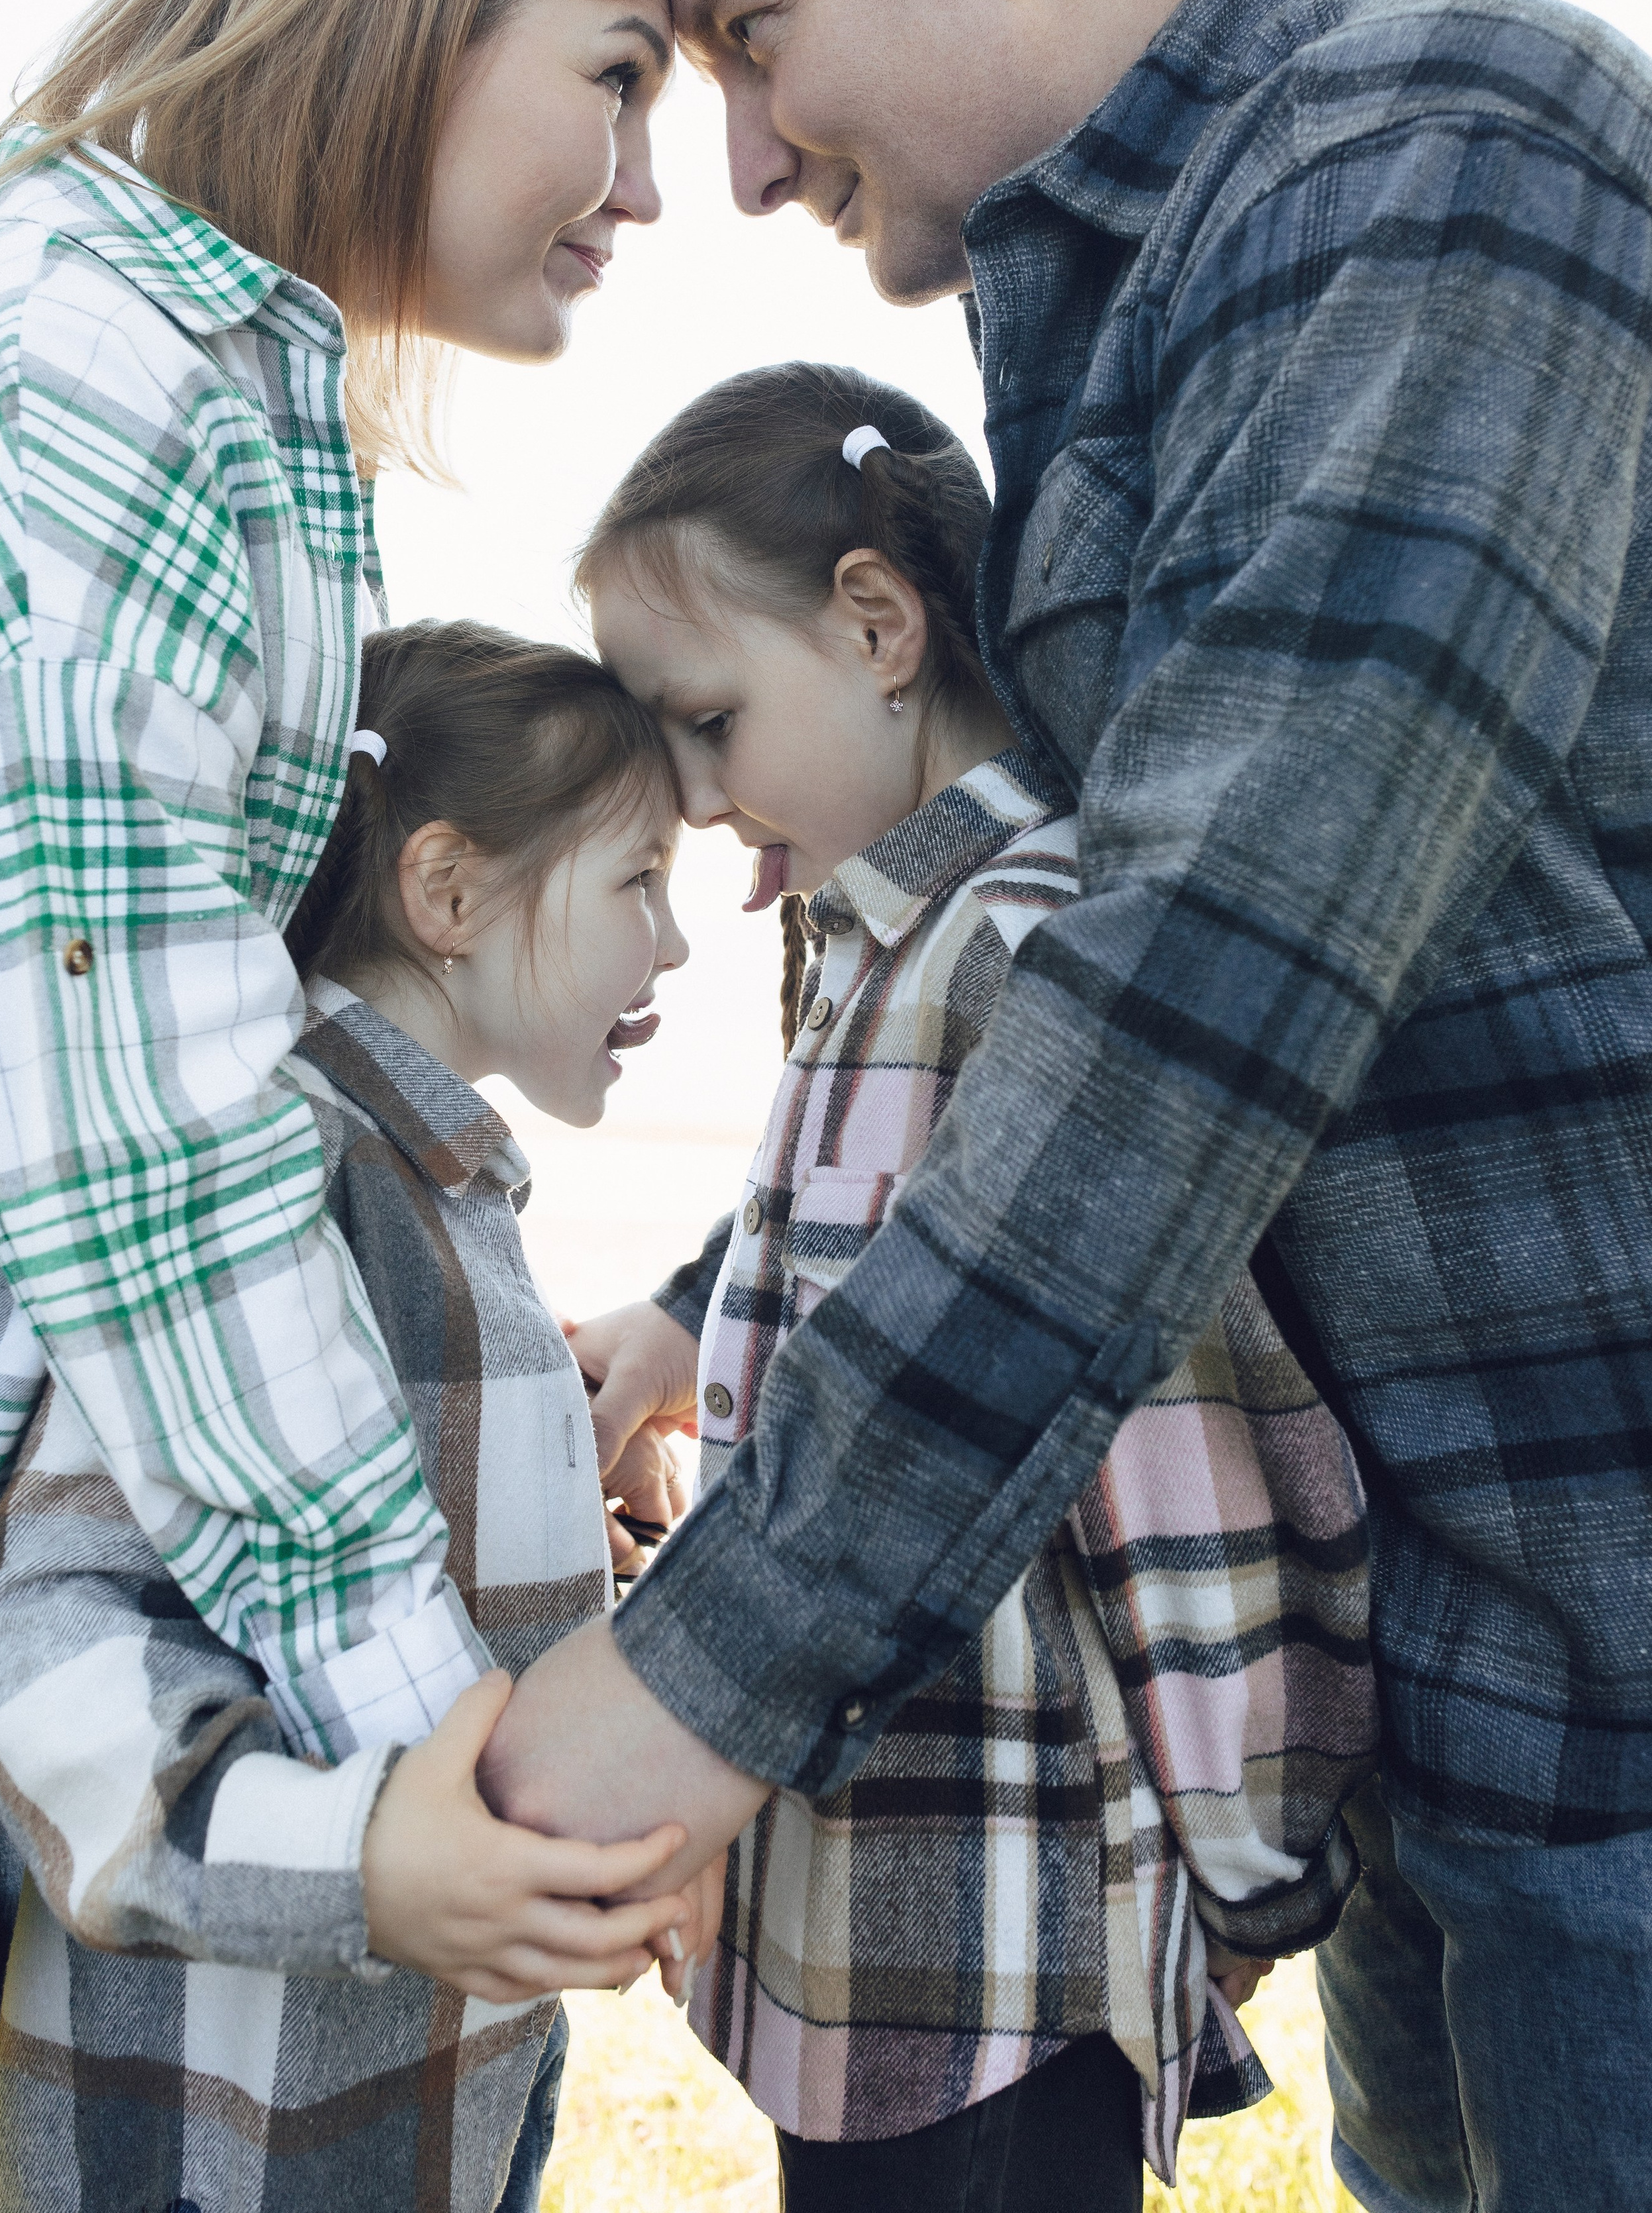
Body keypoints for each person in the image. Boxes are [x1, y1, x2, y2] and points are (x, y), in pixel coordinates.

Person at [476, 0, 1652, 2205]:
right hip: (1440, 1706)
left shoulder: (1439, 149)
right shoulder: (1126, 322)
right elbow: (1063, 972)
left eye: (759, 35)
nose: (754, 158)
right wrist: (701, 1297)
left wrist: (705, 1675)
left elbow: (1209, 987)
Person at [0, 0, 671, 1967]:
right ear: (421, 7)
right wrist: (429, 1730)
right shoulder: (103, 369)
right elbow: (127, 1129)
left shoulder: (224, 381)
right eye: (618, 77)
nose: (649, 186)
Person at [573, 360, 1377, 2210]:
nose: (689, 799)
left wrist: (1247, 1859)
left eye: (705, 722)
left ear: (875, 621)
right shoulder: (876, 944)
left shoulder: (1030, 947)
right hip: (861, 1928)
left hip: (1003, 1941)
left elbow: (1190, 1467)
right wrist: (685, 1333)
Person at [0, 623, 721, 2213]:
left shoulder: (440, 1197)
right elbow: (50, 1640)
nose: (675, 947)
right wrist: (358, 1859)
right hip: (211, 2142)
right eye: (636, 881)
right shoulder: (279, 1202)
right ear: (446, 894)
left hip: (415, 2107)